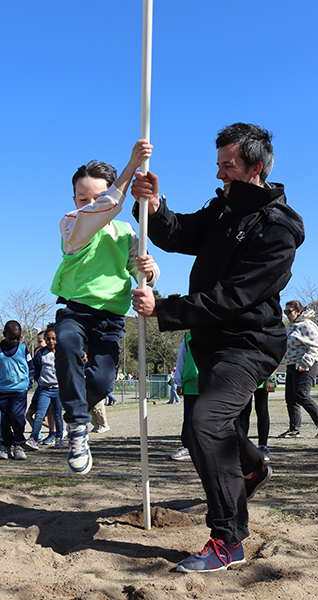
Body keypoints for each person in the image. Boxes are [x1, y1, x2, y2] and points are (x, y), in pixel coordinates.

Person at [131, 122, 304, 572]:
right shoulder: (222, 208)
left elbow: (234, 296)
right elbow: (178, 234)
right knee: (203, 429)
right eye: (218, 165)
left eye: (227, 166)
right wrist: (155, 205)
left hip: (249, 344)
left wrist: (163, 309)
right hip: (209, 343)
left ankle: (228, 540)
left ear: (255, 168)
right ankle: (252, 466)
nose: (219, 174)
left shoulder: (278, 229)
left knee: (205, 423)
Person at [51, 140, 160, 476]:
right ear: (74, 201)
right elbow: (107, 207)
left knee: (101, 383)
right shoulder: (71, 224)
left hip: (110, 317)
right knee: (67, 344)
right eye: (83, 199)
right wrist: (131, 165)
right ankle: (77, 426)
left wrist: (149, 270)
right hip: (75, 310)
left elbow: (142, 270)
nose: (90, 204)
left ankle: (79, 414)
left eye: (97, 197)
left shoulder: (126, 232)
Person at [279, 301, 318, 438]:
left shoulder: (307, 325)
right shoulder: (292, 327)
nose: (287, 314)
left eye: (289, 311)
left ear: (298, 312)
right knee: (291, 398)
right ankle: (294, 429)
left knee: (301, 395)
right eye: (285, 312)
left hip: (304, 365)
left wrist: (305, 362)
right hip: (292, 365)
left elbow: (317, 346)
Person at [24, 324, 64, 451]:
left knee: (57, 415)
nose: (51, 341)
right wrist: (39, 381)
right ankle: (33, 439)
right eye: (48, 339)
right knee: (39, 415)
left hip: (58, 389)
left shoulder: (62, 353)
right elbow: (35, 368)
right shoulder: (41, 354)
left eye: (53, 339)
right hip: (44, 389)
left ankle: (59, 438)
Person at [0, 321, 34, 460]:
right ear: (4, 334)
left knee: (17, 416)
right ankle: (6, 446)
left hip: (19, 390)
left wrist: (29, 382)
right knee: (4, 420)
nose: (15, 341)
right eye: (12, 338)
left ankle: (19, 444)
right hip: (2, 390)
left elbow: (31, 366)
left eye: (17, 338)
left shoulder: (23, 349)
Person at [170, 332, 199, 461]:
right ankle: (187, 447)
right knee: (189, 418)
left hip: (211, 382)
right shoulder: (188, 336)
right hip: (191, 384)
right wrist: (179, 381)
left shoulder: (218, 331)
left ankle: (212, 448)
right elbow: (181, 359)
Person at [239, 375, 276, 463]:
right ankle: (242, 447)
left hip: (262, 377)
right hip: (245, 377)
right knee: (244, 412)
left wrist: (271, 379)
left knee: (262, 410)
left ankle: (262, 447)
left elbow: (273, 365)